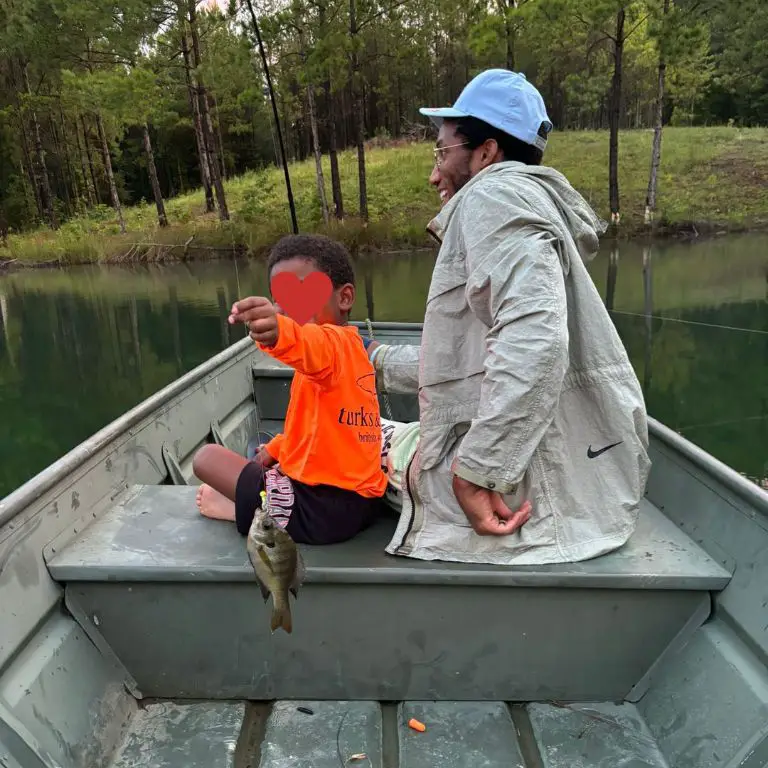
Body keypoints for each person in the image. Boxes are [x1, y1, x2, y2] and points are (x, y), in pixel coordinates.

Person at [367, 69, 652, 565]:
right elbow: (476, 361)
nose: (434, 173)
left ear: (486, 152)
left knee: (320, 462)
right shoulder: (521, 204)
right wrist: (378, 359)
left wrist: (478, 471)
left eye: (442, 152)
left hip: (529, 509)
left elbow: (536, 340)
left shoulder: (492, 197)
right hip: (578, 501)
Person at [193, 234, 388, 545]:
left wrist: (277, 330)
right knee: (261, 459)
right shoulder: (353, 353)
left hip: (319, 512)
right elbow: (321, 432)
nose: (287, 309)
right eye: (279, 300)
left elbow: (304, 340)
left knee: (206, 458)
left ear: (345, 298)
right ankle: (261, 499)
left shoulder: (329, 345)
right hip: (363, 504)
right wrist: (276, 449)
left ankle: (240, 511)